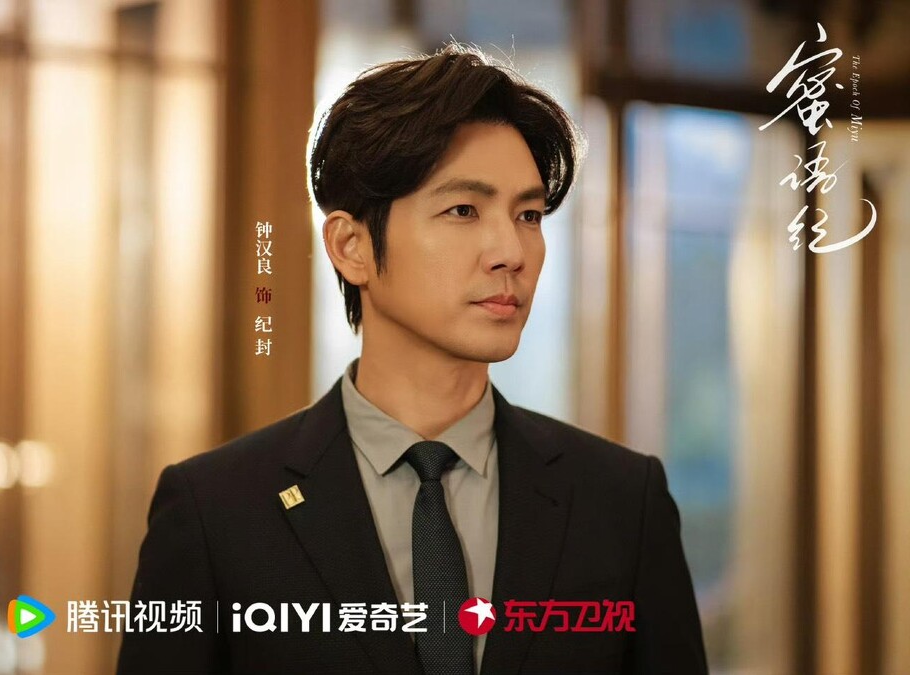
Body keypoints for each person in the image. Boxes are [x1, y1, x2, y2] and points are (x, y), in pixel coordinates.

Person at [117, 43, 707, 675]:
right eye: (463, 210)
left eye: (529, 214)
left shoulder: (621, 503)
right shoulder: (217, 511)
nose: (511, 251)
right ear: (351, 247)